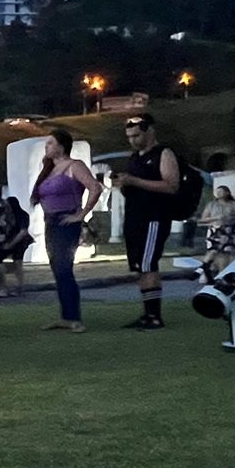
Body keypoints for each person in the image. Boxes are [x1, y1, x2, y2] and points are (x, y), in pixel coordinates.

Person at [31, 128, 103, 332]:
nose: (47, 146)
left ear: (62, 147)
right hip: (51, 222)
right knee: (57, 268)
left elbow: (95, 187)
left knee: (64, 268)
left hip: (66, 221)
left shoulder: (74, 166)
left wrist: (81, 214)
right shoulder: (48, 169)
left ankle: (74, 317)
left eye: (51, 143)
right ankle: (66, 315)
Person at [113, 113, 180, 331]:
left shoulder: (163, 153)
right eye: (130, 137)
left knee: (148, 264)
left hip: (154, 216)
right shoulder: (135, 157)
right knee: (139, 266)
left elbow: (171, 186)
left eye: (136, 135)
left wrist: (135, 181)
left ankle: (154, 316)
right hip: (135, 216)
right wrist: (125, 184)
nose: (133, 140)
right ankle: (147, 312)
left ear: (149, 131)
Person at [0, 190, 32, 296]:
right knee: (17, 264)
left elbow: (22, 232)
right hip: (18, 242)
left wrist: (10, 244)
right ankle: (18, 286)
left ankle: (7, 286)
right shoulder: (23, 215)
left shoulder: (12, 215)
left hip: (17, 242)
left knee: (12, 262)